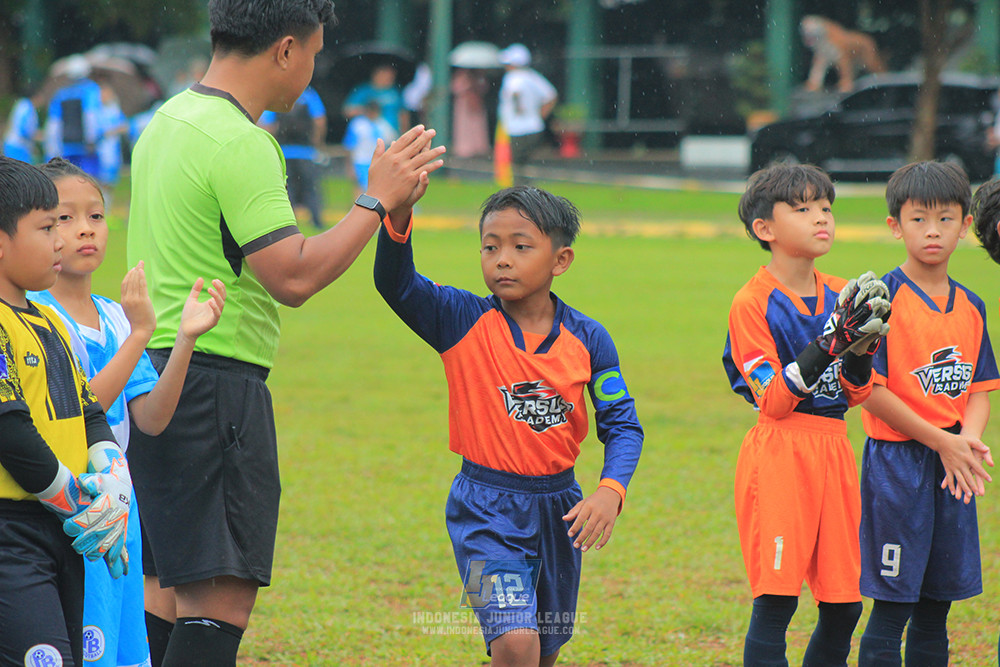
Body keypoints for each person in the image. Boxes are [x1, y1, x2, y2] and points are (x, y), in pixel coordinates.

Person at [125, 0, 445, 664]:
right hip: (214, 386)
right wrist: (375, 198)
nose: (311, 71)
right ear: (285, 51)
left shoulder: (167, 120)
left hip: (155, 377)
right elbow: (293, 276)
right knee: (218, 602)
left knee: (162, 590)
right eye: (315, 54)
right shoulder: (242, 141)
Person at [374, 185, 644, 666]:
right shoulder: (459, 318)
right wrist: (398, 216)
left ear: (560, 260)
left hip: (561, 510)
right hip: (484, 507)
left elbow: (622, 424)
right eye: (490, 246)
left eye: (521, 246)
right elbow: (396, 285)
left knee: (544, 649)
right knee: (516, 641)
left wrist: (610, 491)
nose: (502, 259)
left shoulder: (589, 338)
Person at [29, 157, 226, 667]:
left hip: (120, 509)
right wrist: (140, 337)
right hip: (66, 510)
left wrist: (184, 338)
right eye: (64, 219)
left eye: (95, 216)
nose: (84, 231)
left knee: (118, 649)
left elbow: (153, 419)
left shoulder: (116, 316)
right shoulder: (33, 315)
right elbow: (73, 412)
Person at [722, 163, 891, 665]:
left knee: (843, 607)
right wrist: (829, 343)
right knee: (776, 601)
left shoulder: (844, 291)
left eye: (825, 208)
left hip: (834, 448)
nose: (821, 218)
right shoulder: (751, 302)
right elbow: (772, 401)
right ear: (765, 230)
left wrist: (861, 349)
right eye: (802, 209)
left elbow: (857, 394)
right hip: (781, 451)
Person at [857, 161, 1000, 666]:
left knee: (937, 607)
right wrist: (942, 441)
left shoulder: (972, 305)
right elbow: (868, 390)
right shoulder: (880, 303)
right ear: (895, 226)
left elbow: (980, 388)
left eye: (945, 219)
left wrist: (966, 441)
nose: (932, 231)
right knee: (893, 606)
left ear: (965, 226)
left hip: (952, 466)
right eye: (918, 219)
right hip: (898, 465)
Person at [0, 156, 131, 666]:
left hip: (61, 534)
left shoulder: (47, 324)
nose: (60, 240)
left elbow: (88, 410)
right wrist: (77, 500)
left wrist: (113, 481)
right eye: (46, 226)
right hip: (12, 533)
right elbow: (10, 432)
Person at [260, 85, 328, 229]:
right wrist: (317, 142)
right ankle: (317, 222)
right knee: (311, 189)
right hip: (306, 152)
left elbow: (267, 125)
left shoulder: (278, 93)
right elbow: (319, 121)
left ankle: (288, 224)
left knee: (286, 191)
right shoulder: (309, 95)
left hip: (284, 152)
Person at [497, 44, 557, 185]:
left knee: (518, 167)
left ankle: (522, 198)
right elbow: (551, 95)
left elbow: (516, 92)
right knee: (527, 165)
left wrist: (518, 108)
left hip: (518, 128)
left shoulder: (513, 77)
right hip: (534, 127)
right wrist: (540, 115)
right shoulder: (533, 77)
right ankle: (529, 194)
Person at [44, 55, 103, 177]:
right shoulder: (91, 89)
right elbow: (90, 116)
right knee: (88, 178)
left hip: (66, 144)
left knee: (68, 177)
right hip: (85, 145)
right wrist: (91, 139)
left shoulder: (61, 93)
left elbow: (54, 123)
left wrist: (52, 147)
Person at [342, 100, 397, 198]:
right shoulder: (358, 125)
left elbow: (392, 144)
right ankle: (357, 209)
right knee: (360, 187)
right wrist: (349, 165)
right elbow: (349, 146)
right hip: (360, 161)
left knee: (376, 189)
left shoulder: (383, 125)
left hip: (377, 161)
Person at [343, 63, 409, 133]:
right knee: (359, 125)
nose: (389, 78)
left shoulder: (395, 92)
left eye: (391, 76)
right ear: (376, 75)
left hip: (390, 130)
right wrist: (366, 111)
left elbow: (403, 114)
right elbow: (347, 111)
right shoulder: (363, 90)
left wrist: (404, 133)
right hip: (366, 129)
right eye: (385, 75)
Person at [451, 68, 491, 158]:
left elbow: (484, 87)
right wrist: (468, 86)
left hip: (476, 103)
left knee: (477, 126)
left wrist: (476, 85)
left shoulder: (478, 76)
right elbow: (455, 88)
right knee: (464, 127)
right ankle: (464, 149)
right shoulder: (461, 75)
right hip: (464, 105)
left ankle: (478, 148)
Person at [3, 91, 42, 163]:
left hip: (11, 144)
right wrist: (37, 136)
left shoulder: (21, 104)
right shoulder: (27, 107)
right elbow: (24, 130)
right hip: (18, 146)